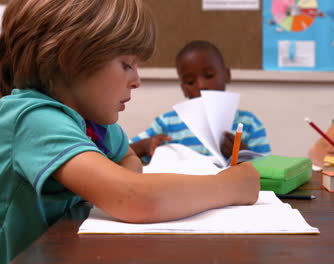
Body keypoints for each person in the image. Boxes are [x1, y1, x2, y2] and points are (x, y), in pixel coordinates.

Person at [0, 1, 260, 263]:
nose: (136, 80)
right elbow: (135, 198)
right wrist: (228, 186)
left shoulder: (93, 123)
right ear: (69, 59)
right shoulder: (32, 118)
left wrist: (112, 187)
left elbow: (128, 160)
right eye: (127, 64)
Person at [130, 40, 271, 163]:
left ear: (227, 75)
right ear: (183, 89)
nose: (201, 85)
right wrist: (145, 145)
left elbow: (270, 171)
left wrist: (243, 154)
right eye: (190, 81)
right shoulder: (167, 123)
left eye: (209, 75)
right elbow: (121, 153)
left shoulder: (249, 124)